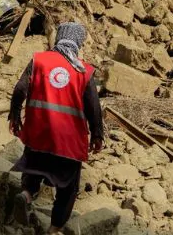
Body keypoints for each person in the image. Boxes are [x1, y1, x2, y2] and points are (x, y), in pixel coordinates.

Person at [8, 22, 104, 233]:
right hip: (68, 143)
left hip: (39, 135)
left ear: (59, 37)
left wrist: (14, 116)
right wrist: (97, 135)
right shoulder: (84, 71)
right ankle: (53, 230)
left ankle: (25, 195)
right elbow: (94, 108)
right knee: (68, 188)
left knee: (33, 169)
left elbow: (19, 90)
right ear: (78, 42)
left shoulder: (39, 60)